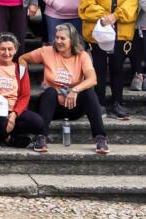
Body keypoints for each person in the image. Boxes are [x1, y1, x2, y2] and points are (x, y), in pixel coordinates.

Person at [20, 24, 110, 155]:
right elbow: (22, 58)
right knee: (50, 92)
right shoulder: (47, 51)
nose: (58, 41)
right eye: (56, 37)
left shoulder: (82, 55)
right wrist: (24, 80)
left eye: (62, 38)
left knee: (89, 92)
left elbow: (92, 79)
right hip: (51, 106)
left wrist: (75, 90)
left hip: (73, 106)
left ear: (72, 40)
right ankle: (40, 137)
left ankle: (100, 138)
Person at [77, 0, 138, 119]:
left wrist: (116, 16)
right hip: (97, 31)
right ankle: (100, 104)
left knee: (118, 69)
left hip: (121, 31)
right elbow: (86, 1)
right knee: (99, 69)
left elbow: (133, 0)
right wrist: (103, 16)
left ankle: (117, 103)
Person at [0, 33, 46, 149]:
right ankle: (9, 138)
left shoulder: (21, 70)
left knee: (38, 122)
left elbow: (25, 96)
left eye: (10, 49)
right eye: (3, 49)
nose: (7, 53)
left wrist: (14, 115)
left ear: (16, 50)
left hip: (14, 109)